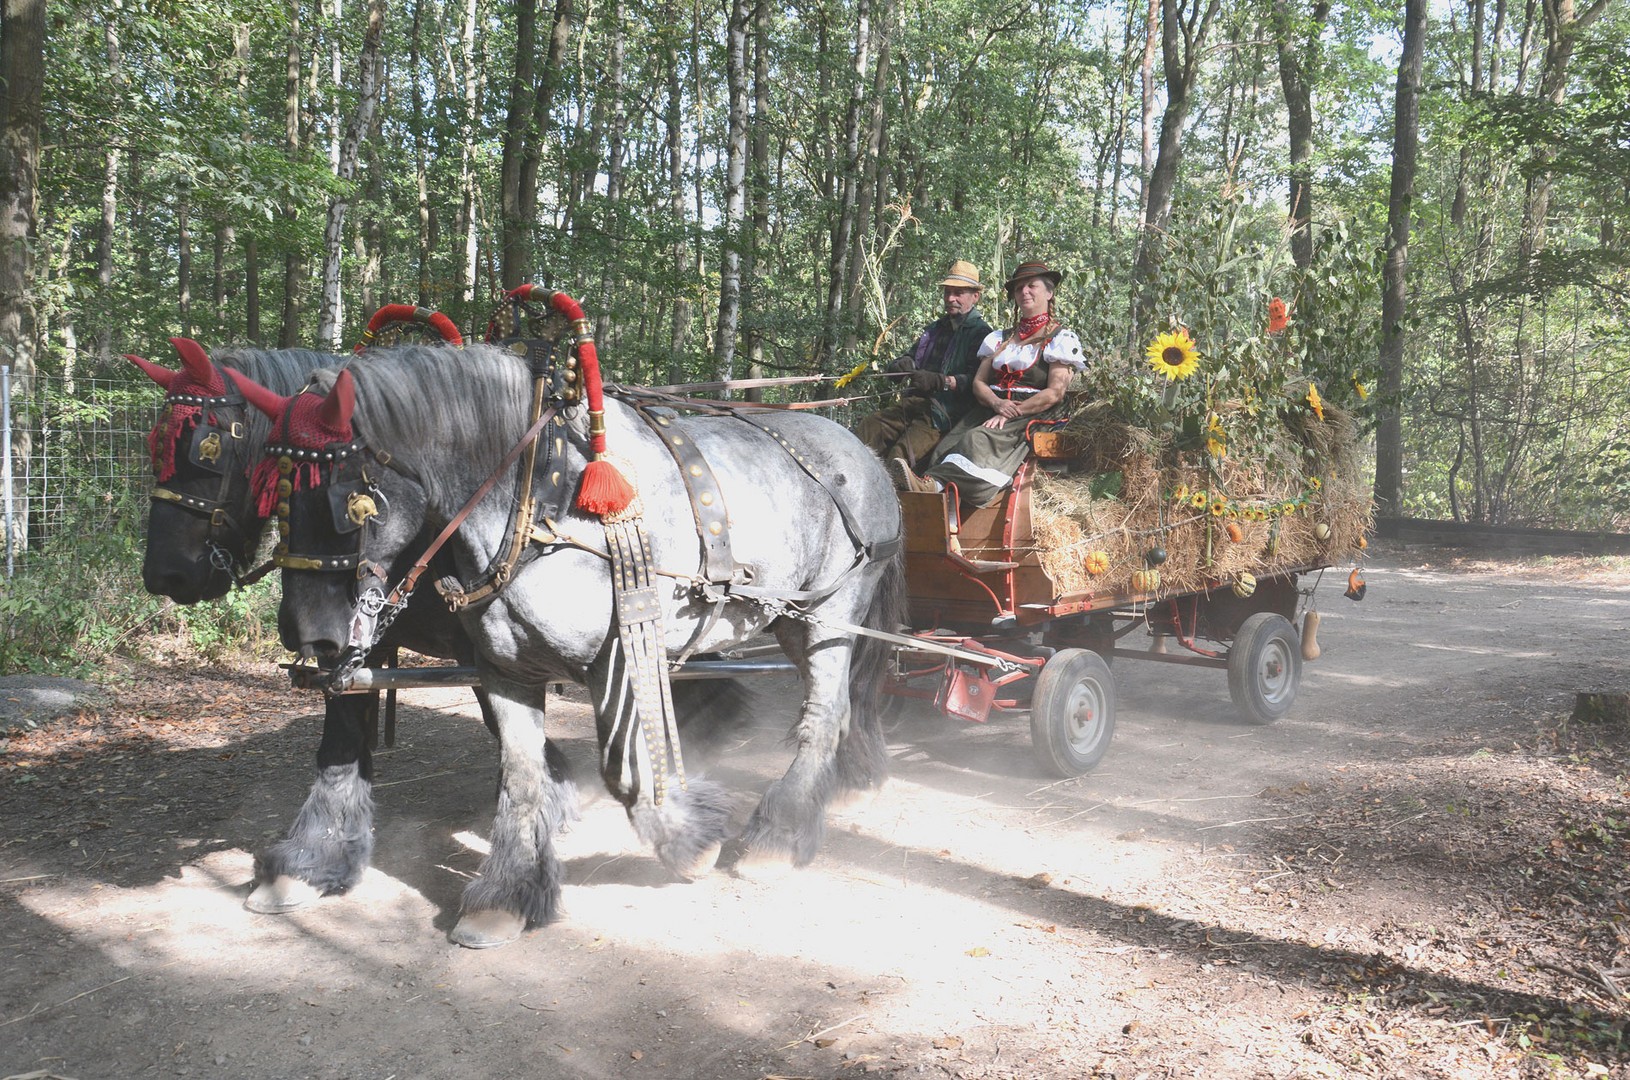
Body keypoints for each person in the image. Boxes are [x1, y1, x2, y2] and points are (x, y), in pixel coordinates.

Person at [901, 260, 1086, 508]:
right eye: (1019, 289)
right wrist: (997, 403)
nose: (1025, 292)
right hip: (992, 405)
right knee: (944, 446)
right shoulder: (999, 338)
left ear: (1049, 293)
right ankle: (943, 513)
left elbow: (1054, 393)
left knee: (976, 441)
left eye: (1032, 286)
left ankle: (932, 486)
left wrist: (1012, 411)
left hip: (1032, 410)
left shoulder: (1060, 339)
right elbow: (979, 382)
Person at [857, 260, 991, 471]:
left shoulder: (982, 335)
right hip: (915, 405)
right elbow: (910, 358)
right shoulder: (935, 329)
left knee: (898, 458)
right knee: (869, 428)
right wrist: (902, 365)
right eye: (947, 292)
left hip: (946, 416)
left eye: (958, 293)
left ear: (975, 296)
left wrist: (941, 382)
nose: (950, 298)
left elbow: (978, 381)